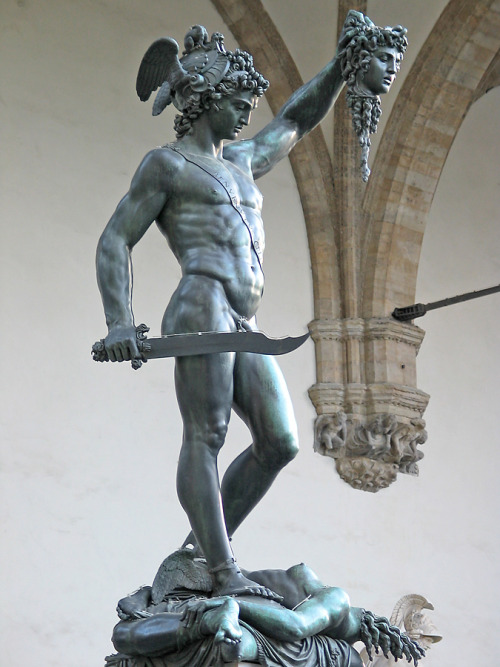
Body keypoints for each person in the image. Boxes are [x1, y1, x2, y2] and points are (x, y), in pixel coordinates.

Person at [96, 14, 406, 599]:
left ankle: (200, 553)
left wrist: (340, 69)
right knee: (207, 434)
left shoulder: (240, 161)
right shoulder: (166, 166)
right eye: (237, 100)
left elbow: (295, 119)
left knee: (280, 442)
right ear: (207, 98)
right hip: (202, 305)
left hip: (246, 320)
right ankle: (221, 568)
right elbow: (115, 238)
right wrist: (118, 321)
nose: (246, 112)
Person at [109, 562, 425, 666]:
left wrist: (142, 597)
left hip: (241, 616)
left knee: (125, 636)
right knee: (236, 643)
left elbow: (294, 625)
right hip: (255, 623)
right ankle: (210, 624)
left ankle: (210, 624)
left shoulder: (299, 585)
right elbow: (295, 625)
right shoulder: (335, 602)